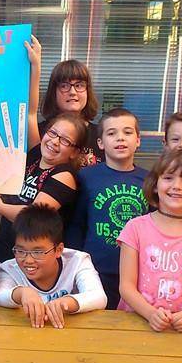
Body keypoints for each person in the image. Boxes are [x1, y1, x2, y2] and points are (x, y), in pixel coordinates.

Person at [117, 150, 182, 333]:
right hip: (136, 326)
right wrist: (151, 314)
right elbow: (126, 287)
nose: (177, 186)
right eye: (168, 178)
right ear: (155, 184)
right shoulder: (134, 228)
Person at [66, 108, 149, 308]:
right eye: (112, 133)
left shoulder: (150, 180)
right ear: (100, 143)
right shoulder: (86, 177)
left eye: (127, 132)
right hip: (96, 271)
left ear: (138, 140)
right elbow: (77, 224)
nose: (120, 138)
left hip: (138, 272)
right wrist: (74, 265)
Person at [0, 112, 85, 263]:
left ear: (74, 152)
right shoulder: (35, 155)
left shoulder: (65, 175)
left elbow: (33, 215)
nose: (55, 141)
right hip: (8, 252)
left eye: (65, 140)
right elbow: (31, 115)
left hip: (35, 261)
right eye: (53, 133)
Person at [0, 204, 106, 328]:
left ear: (58, 250)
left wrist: (66, 303)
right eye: (20, 251)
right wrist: (21, 293)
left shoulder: (77, 261)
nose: (28, 260)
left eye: (38, 252)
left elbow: (99, 297)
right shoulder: (9, 269)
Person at [38, 59, 102, 166]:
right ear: (54, 92)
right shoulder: (41, 132)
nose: (72, 92)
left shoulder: (102, 135)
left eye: (79, 85)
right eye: (64, 86)